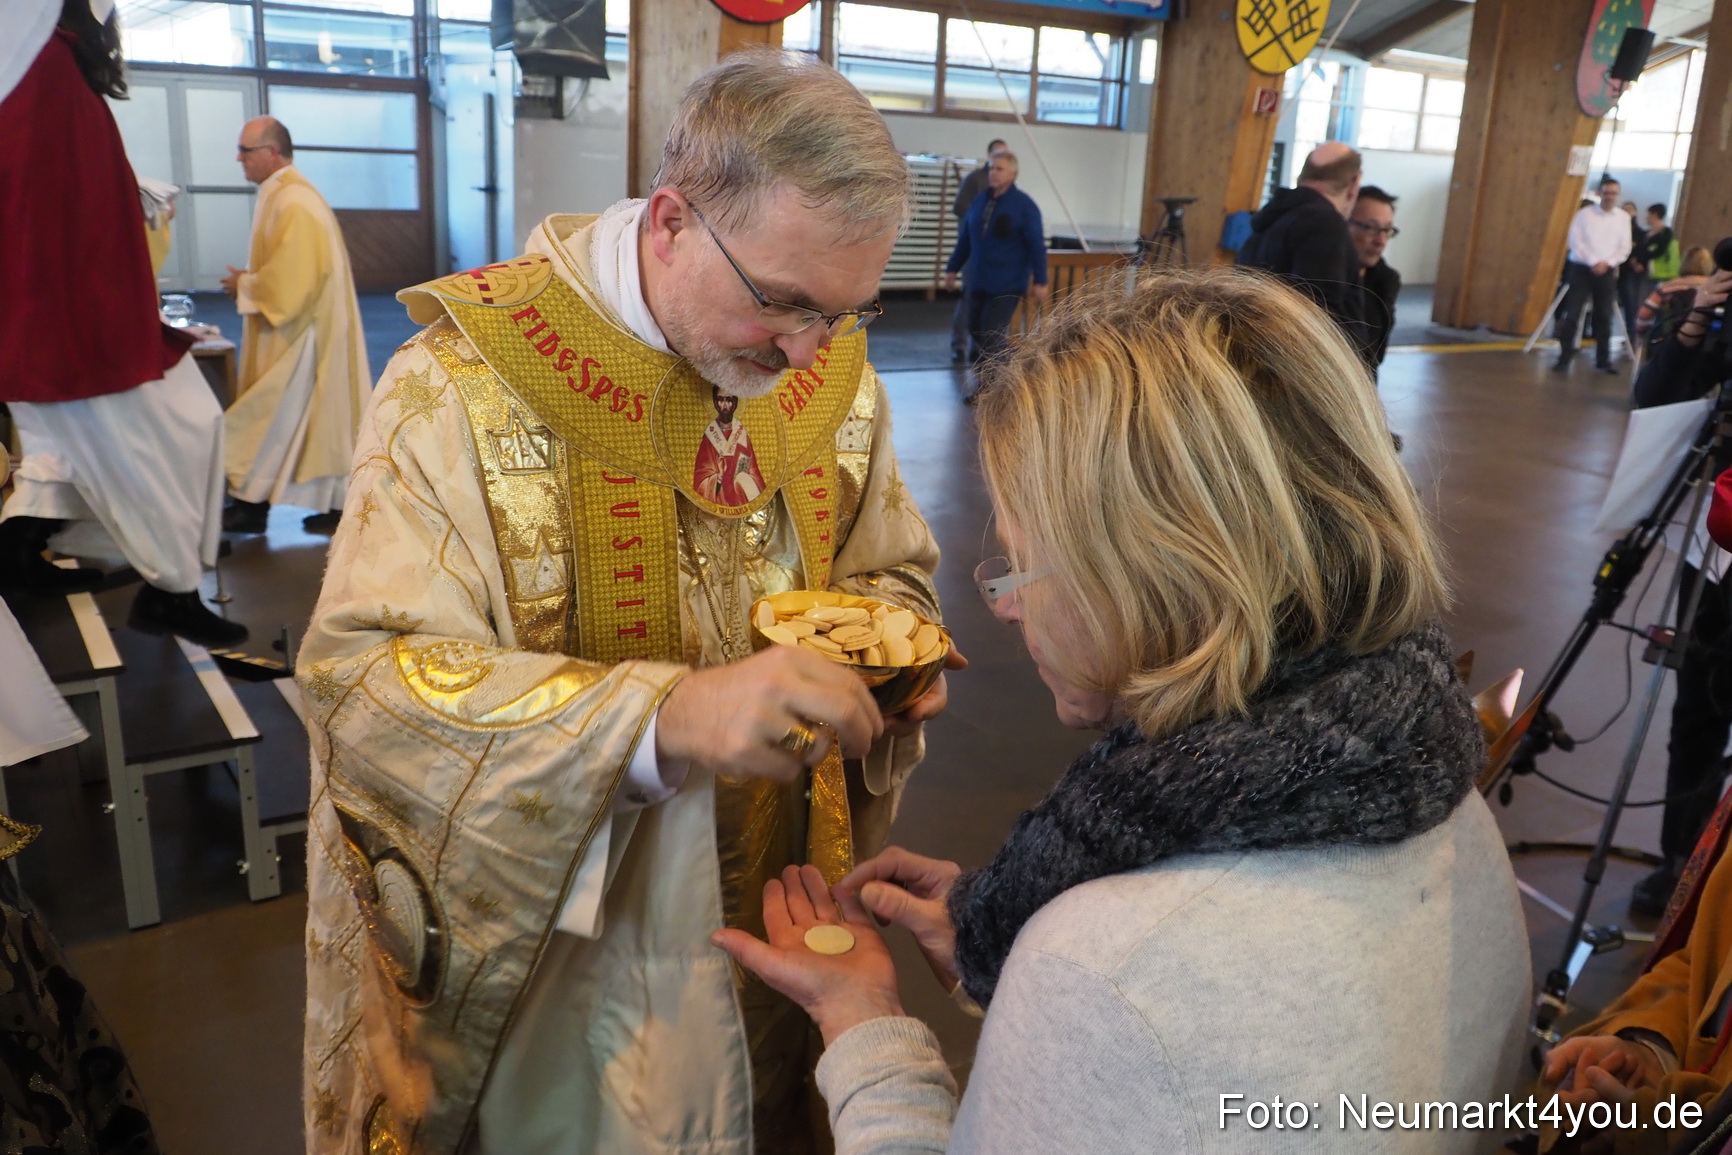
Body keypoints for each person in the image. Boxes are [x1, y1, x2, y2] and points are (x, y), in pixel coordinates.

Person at [295, 50, 955, 1155]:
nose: (808, 353)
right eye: (784, 304)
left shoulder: (823, 364)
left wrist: (893, 657)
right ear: (668, 222)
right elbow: (362, 682)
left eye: (846, 314)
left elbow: (888, 565)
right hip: (568, 959)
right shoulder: (458, 384)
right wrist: (657, 721)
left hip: (781, 898)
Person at [715, 267, 1531, 1154]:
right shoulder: (1453, 806)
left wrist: (863, 1018)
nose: (1006, 606)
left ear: (1153, 578)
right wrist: (1000, 945)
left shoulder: (1104, 971)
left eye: (1021, 566)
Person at [0, 0, 241, 646]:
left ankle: (18, 554)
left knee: (64, 449)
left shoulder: (45, 63)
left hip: (59, 318)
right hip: (72, 323)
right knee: (174, 434)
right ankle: (173, 588)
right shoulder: (39, 62)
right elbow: (43, 207)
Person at [1625, 266, 1732, 918]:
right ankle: (1679, 865)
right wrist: (1696, 320)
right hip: (1718, 550)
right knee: (1696, 711)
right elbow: (1656, 396)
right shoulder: (1717, 321)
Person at [219, 116, 371, 535]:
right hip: (301, 329)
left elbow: (294, 281)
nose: (239, 158)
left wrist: (245, 285)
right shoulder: (283, 195)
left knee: (267, 418)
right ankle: (319, 503)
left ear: (271, 153)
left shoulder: (294, 202)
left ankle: (252, 506)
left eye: (245, 151)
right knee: (300, 423)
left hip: (303, 336)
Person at [1236, 141, 1373, 362]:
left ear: (1303, 177)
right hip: (1307, 377)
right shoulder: (1325, 225)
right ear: (1355, 183)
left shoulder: (1270, 221)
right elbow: (1316, 317)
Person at [942, 151, 1048, 380]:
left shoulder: (1024, 206)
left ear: (1013, 174)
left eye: (999, 169)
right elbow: (966, 239)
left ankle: (987, 389)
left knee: (991, 336)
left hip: (1007, 283)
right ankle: (1016, 363)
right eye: (991, 168)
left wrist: (1041, 280)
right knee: (975, 328)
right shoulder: (980, 201)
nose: (993, 173)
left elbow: (1036, 245)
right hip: (980, 279)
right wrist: (952, 269)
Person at [1554, 175, 1634, 373]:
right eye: (1606, 193)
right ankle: (1563, 359)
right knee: (1572, 314)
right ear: (1599, 193)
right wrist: (1593, 262)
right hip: (1581, 268)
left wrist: (1607, 263)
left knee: (1604, 316)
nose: (1609, 196)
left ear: (1618, 195)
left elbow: (1624, 248)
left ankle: (1603, 361)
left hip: (1607, 270)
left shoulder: (1623, 219)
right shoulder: (1584, 215)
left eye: (1613, 193)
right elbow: (1575, 242)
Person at [950, 139, 1007, 363]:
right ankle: (959, 345)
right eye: (998, 153)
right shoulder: (974, 180)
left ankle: (979, 346)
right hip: (974, 250)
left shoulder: (1006, 187)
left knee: (990, 300)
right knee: (969, 298)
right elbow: (959, 207)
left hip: (996, 254)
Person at [1349, 184, 1401, 373]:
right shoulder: (1327, 281)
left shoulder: (1386, 281)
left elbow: (1374, 356)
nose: (1380, 241)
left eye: (1387, 230)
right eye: (1371, 228)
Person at [1634, 244, 1711, 350]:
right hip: (1705, 344)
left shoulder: (1666, 287)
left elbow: (1644, 314)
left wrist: (1641, 335)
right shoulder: (1713, 288)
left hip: (1669, 342)